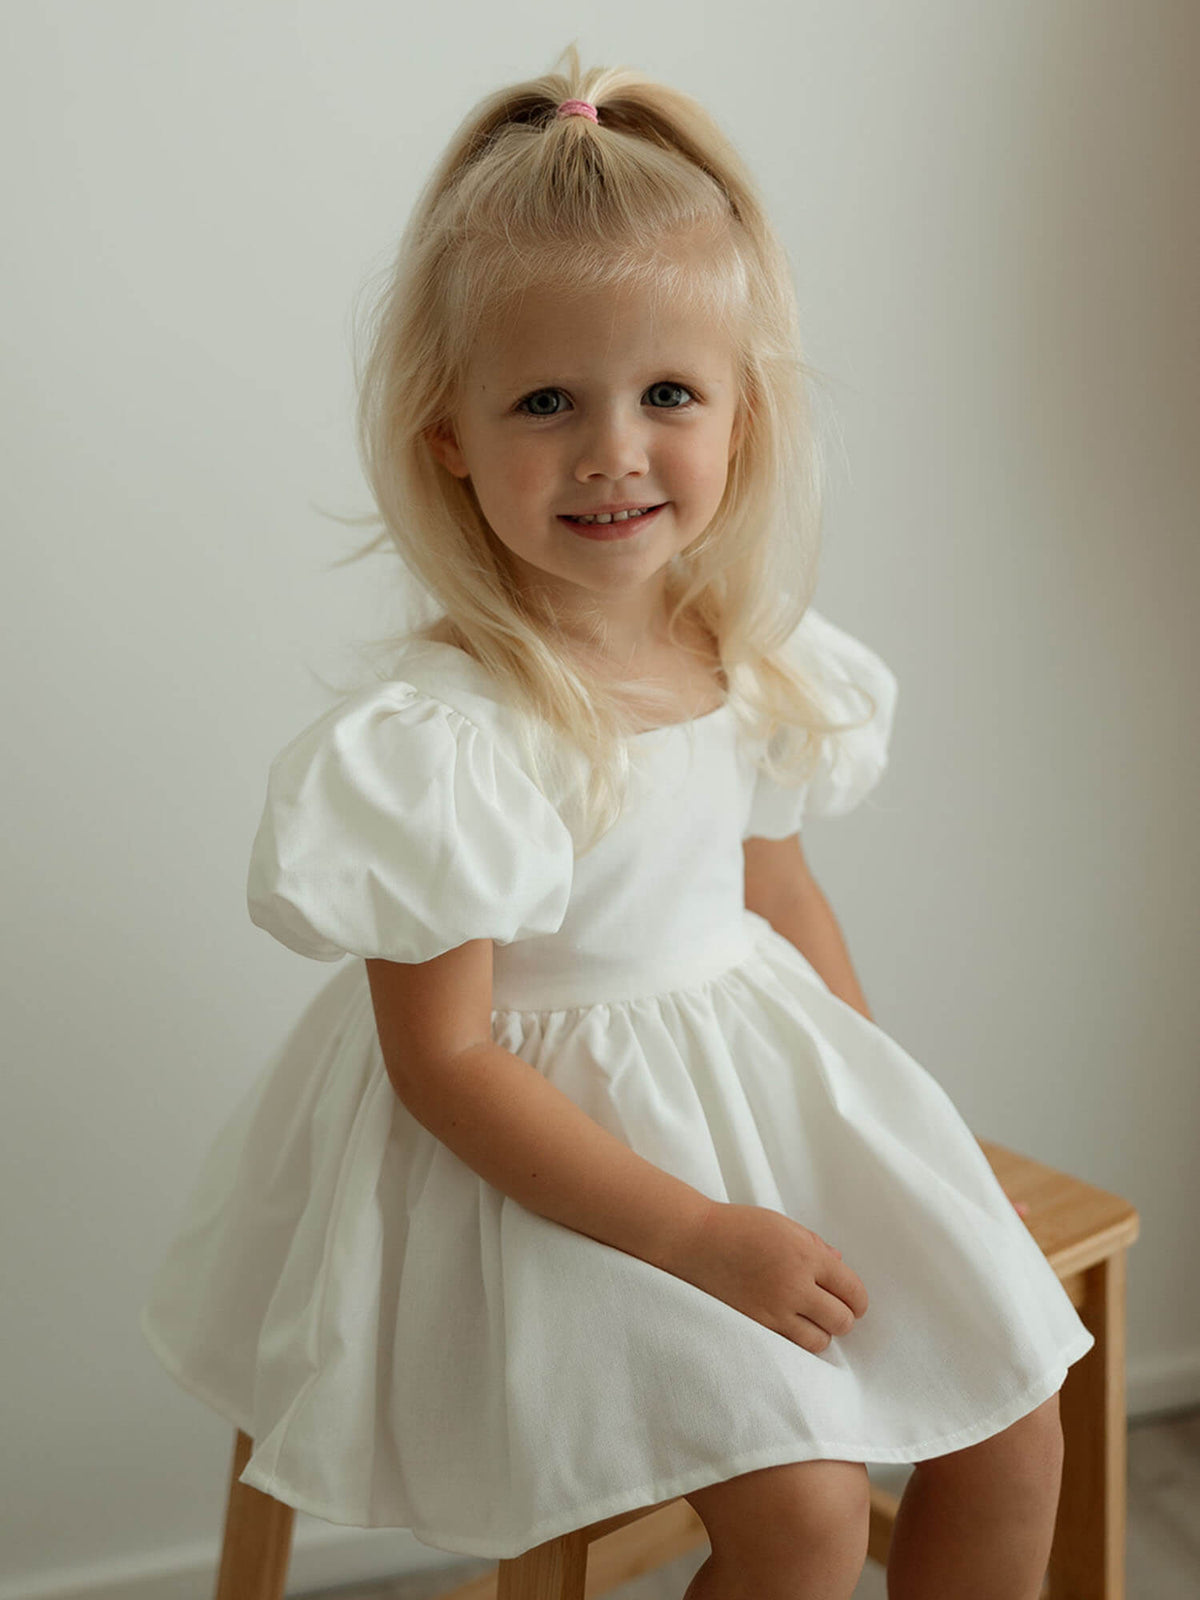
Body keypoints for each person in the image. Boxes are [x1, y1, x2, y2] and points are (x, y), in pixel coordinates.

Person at [140, 44, 1093, 1600]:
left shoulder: (748, 658)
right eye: (544, 401)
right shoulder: (447, 740)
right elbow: (442, 1062)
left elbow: (776, 899)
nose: (612, 451)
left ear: (742, 417)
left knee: (1016, 1430)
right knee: (798, 1515)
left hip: (748, 1104)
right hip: (543, 1169)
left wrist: (889, 1138)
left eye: (667, 395)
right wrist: (704, 1236)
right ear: (447, 430)